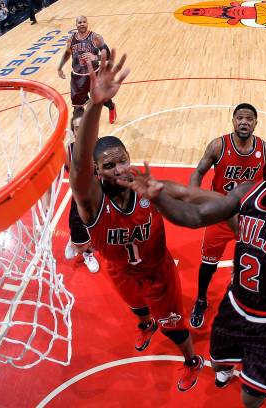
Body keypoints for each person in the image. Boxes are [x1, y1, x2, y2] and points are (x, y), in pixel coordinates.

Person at [123, 139, 266, 408]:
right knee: (219, 361)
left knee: (250, 400)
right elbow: (195, 216)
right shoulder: (249, 193)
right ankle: (225, 371)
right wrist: (159, 198)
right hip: (234, 306)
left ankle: (264, 372)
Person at [69, 50, 203, 392]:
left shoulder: (147, 186)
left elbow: (189, 203)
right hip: (120, 271)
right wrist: (96, 104)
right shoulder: (90, 200)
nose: (119, 170)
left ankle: (191, 359)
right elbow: (80, 162)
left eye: (122, 161)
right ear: (97, 172)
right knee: (138, 309)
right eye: (109, 166)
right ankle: (145, 324)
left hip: (157, 271)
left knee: (174, 326)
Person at [187, 103, 266, 328]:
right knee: (208, 264)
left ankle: (251, 302)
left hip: (249, 217)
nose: (244, 122)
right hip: (221, 215)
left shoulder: (264, 149)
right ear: (233, 121)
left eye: (249, 119)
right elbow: (198, 172)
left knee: (255, 262)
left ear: (256, 123)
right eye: (240, 118)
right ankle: (201, 299)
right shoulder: (218, 145)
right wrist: (193, 195)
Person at [57, 16, 117, 123]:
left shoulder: (95, 37)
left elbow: (108, 56)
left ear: (87, 23)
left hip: (94, 74)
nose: (82, 24)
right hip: (77, 77)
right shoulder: (71, 39)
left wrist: (95, 57)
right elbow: (67, 53)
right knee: (77, 107)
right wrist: (60, 67)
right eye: (79, 22)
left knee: (103, 99)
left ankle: (112, 107)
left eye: (84, 22)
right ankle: (80, 131)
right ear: (76, 25)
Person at [63, 115, 100, 273]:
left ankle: (83, 246)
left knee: (97, 229)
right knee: (78, 225)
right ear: (74, 132)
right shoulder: (69, 150)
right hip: (80, 197)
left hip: (99, 195)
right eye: (77, 128)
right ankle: (84, 251)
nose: (81, 130)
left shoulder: (100, 146)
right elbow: (67, 171)